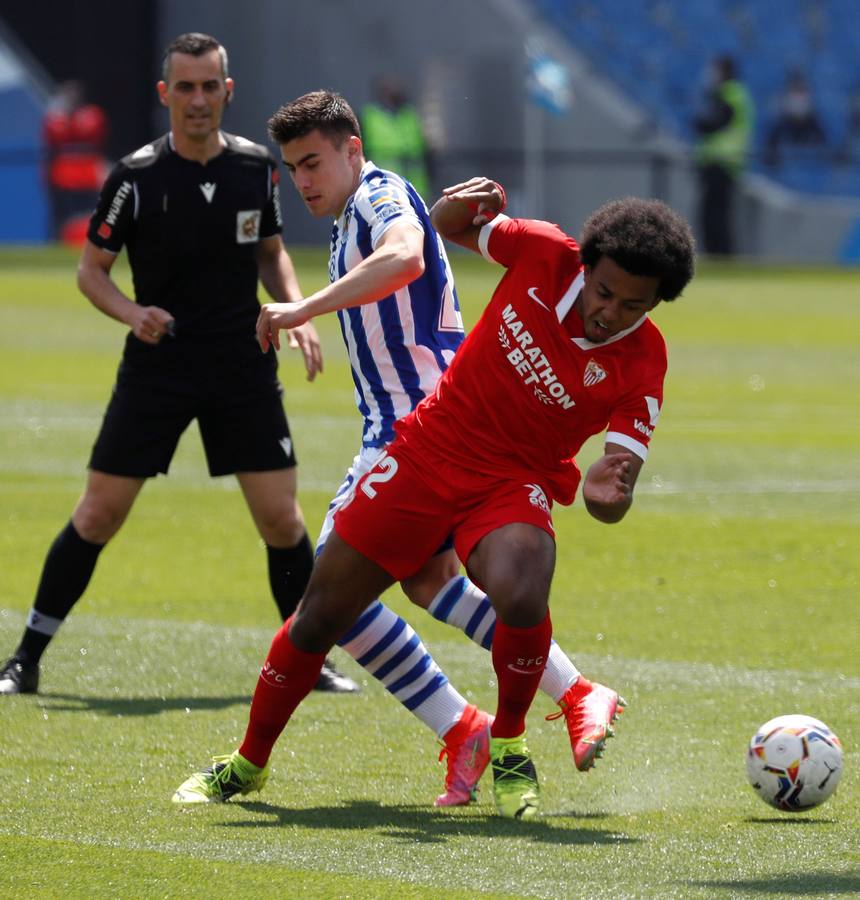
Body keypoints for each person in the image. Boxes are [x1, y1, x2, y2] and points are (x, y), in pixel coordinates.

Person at [174, 159, 696, 817]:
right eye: (604, 291)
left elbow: (615, 484)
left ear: (655, 306)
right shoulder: (542, 253)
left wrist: (606, 491)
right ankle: (247, 765)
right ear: (586, 268)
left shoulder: (645, 361)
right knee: (320, 618)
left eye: (632, 306)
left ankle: (507, 749)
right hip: (428, 452)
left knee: (524, 588)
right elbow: (443, 228)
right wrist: (471, 200)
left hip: (513, 481)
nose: (608, 312)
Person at [0, 33, 357, 699]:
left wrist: (296, 309)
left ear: (229, 91)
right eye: (185, 87)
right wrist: (133, 314)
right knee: (98, 514)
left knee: (282, 519)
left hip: (241, 364)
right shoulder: (134, 177)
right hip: (157, 367)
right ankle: (24, 659)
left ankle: (311, 664)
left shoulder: (255, 168)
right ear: (165, 95)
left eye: (209, 86)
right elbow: (91, 271)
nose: (198, 99)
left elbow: (272, 253)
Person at [692, 55, 753, 256]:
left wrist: (699, 123)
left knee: (715, 216)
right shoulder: (734, 94)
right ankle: (719, 256)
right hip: (723, 164)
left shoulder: (731, 94)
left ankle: (720, 257)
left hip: (722, 164)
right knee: (715, 215)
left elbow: (715, 124)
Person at [42, 79, 110, 241]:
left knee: (92, 213)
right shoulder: (55, 118)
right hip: (63, 175)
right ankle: (56, 243)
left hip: (88, 173)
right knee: (61, 216)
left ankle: (95, 244)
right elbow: (51, 145)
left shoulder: (92, 115)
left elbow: (99, 140)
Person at [361, 75, 432, 199]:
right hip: (383, 186)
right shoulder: (370, 115)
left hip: (414, 186)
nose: (393, 92)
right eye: (388, 89)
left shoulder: (409, 114)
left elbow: (422, 147)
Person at [765, 70, 827, 167]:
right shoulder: (786, 93)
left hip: (805, 122)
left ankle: (824, 154)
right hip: (789, 122)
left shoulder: (807, 92)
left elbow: (810, 110)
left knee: (817, 126)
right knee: (776, 129)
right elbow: (781, 109)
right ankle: (771, 156)